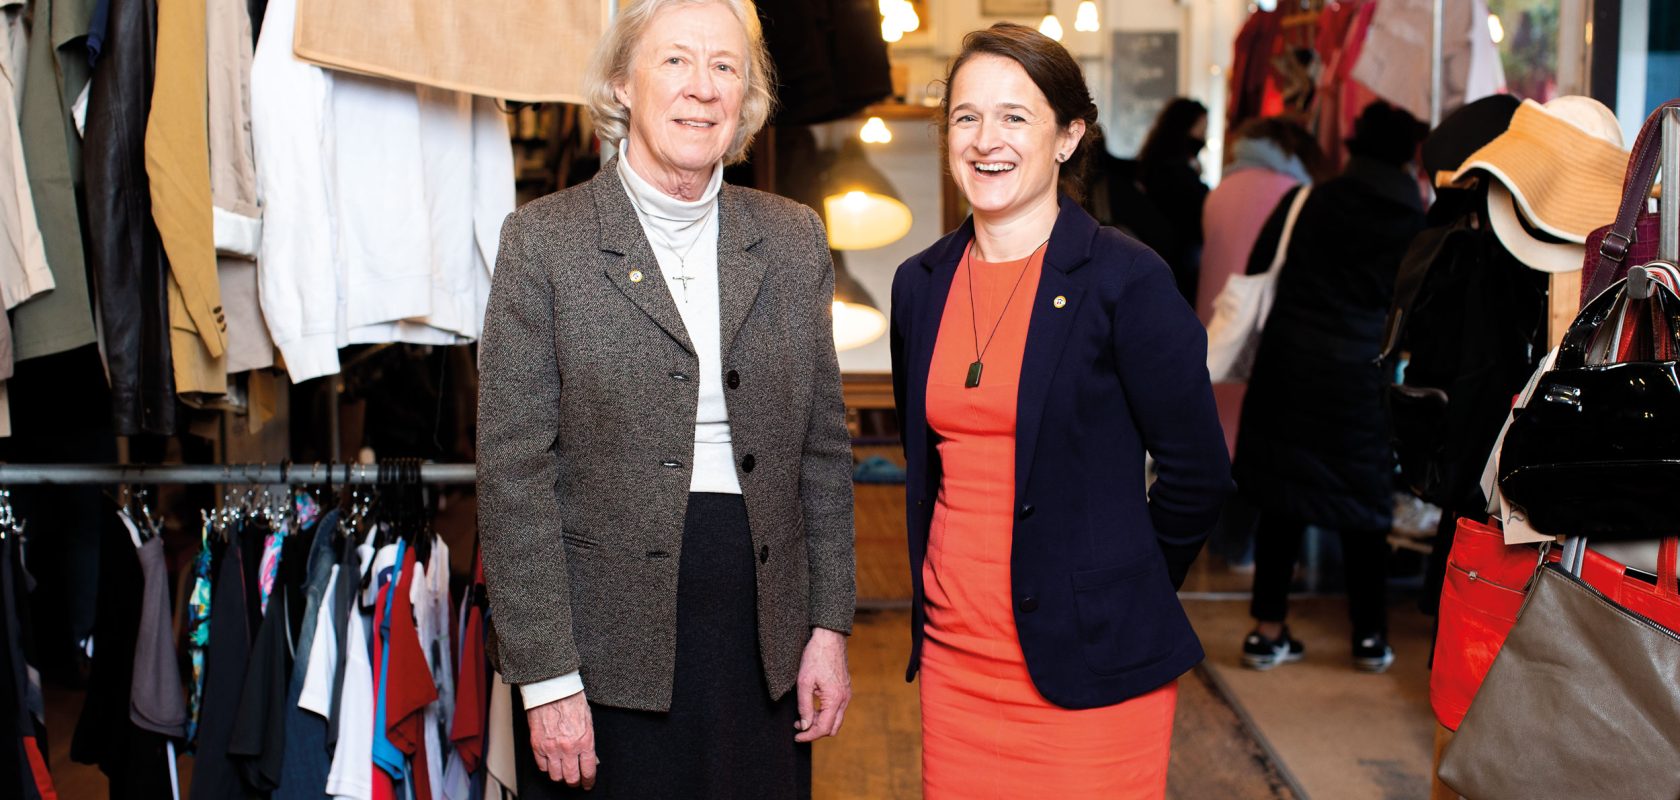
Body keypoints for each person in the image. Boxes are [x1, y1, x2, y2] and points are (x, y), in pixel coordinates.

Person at [476, 1, 857, 796]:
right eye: (676, 61)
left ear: (747, 99)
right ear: (621, 83)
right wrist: (547, 680)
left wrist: (828, 627)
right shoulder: (543, 242)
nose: (703, 88)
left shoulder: (792, 239)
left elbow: (823, 453)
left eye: (726, 67)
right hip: (602, 650)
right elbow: (513, 476)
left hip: (764, 646)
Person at [889, 23, 1233, 799]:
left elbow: (1198, 475)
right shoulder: (921, 283)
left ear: (1069, 136)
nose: (986, 140)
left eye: (1016, 116)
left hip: (1093, 665)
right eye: (967, 116)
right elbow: (930, 463)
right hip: (955, 659)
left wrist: (1122, 584)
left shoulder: (1126, 279)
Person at [1235, 100, 1429, 674]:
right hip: (1357, 371)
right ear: (1407, 157)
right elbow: (1413, 310)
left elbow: (1258, 263)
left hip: (1289, 365)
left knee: (1282, 498)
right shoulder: (1412, 222)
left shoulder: (1311, 199)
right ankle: (1368, 638)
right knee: (1363, 505)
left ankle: (1266, 633)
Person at [1196, 116, 1323, 568]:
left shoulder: (1220, 191)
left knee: (1218, 429)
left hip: (1219, 325)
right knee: (1258, 439)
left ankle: (1212, 538)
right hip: (1265, 332)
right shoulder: (1289, 194)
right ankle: (1241, 546)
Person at [1137, 97, 1211, 303]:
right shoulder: (1176, 171)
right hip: (1175, 261)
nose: (1204, 137)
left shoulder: (1154, 162)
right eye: (1201, 129)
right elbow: (1196, 212)